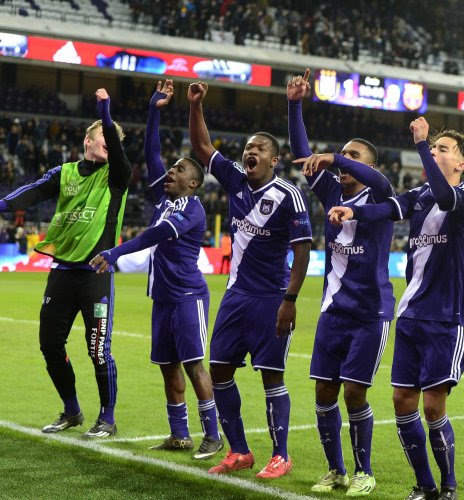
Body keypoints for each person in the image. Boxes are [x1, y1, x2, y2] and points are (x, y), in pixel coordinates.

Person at [329, 116, 464, 500]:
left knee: (433, 407)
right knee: (401, 402)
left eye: (442, 149)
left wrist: (419, 146)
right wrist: (355, 212)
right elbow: (390, 208)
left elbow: (447, 198)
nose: (434, 152)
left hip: (447, 316)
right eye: (433, 148)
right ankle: (424, 485)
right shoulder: (420, 195)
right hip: (411, 312)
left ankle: (448, 487)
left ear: (461, 163)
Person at [89, 80, 223, 460]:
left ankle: (213, 435)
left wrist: (115, 252)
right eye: (172, 168)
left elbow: (156, 235)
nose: (170, 172)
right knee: (167, 367)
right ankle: (179, 434)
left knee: (196, 366)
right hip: (162, 298)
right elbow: (152, 156)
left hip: (187, 297)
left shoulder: (190, 208)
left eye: (178, 170)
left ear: (193, 183)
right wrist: (154, 112)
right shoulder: (165, 200)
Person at [187, 81, 312, 477]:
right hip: (235, 296)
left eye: (259, 149)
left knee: (271, 376)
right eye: (248, 148)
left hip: (270, 298)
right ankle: (239, 451)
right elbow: (204, 150)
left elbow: (304, 249)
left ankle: (281, 454)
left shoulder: (288, 195)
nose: (250, 152)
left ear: (274, 160)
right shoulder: (236, 181)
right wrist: (195, 107)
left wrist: (289, 299)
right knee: (220, 369)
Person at [287, 69, 395, 496]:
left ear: (368, 166)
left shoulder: (383, 195)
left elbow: (377, 182)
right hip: (333, 310)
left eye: (355, 157)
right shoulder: (332, 194)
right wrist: (295, 104)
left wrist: (336, 157)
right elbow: (302, 154)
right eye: (344, 154)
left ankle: (364, 470)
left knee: (355, 393)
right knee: (324, 393)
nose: (344, 160)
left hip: (371, 312)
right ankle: (336, 470)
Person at [0, 88, 130, 437]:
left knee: (98, 349)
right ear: (88, 140)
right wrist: (3, 205)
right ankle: (72, 411)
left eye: (115, 137)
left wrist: (106, 113)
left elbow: (117, 151)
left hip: (96, 273)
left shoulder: (117, 175)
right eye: (105, 135)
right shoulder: (65, 172)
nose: (112, 141)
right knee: (49, 344)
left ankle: (108, 418)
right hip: (62, 271)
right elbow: (33, 191)